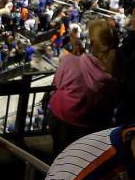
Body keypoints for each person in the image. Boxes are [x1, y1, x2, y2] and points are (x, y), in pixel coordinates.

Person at [46, 18, 122, 153]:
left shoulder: (69, 61)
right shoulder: (117, 74)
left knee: (58, 153)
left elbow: (57, 84)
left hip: (61, 119)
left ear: (92, 43)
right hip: (89, 126)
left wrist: (76, 57)